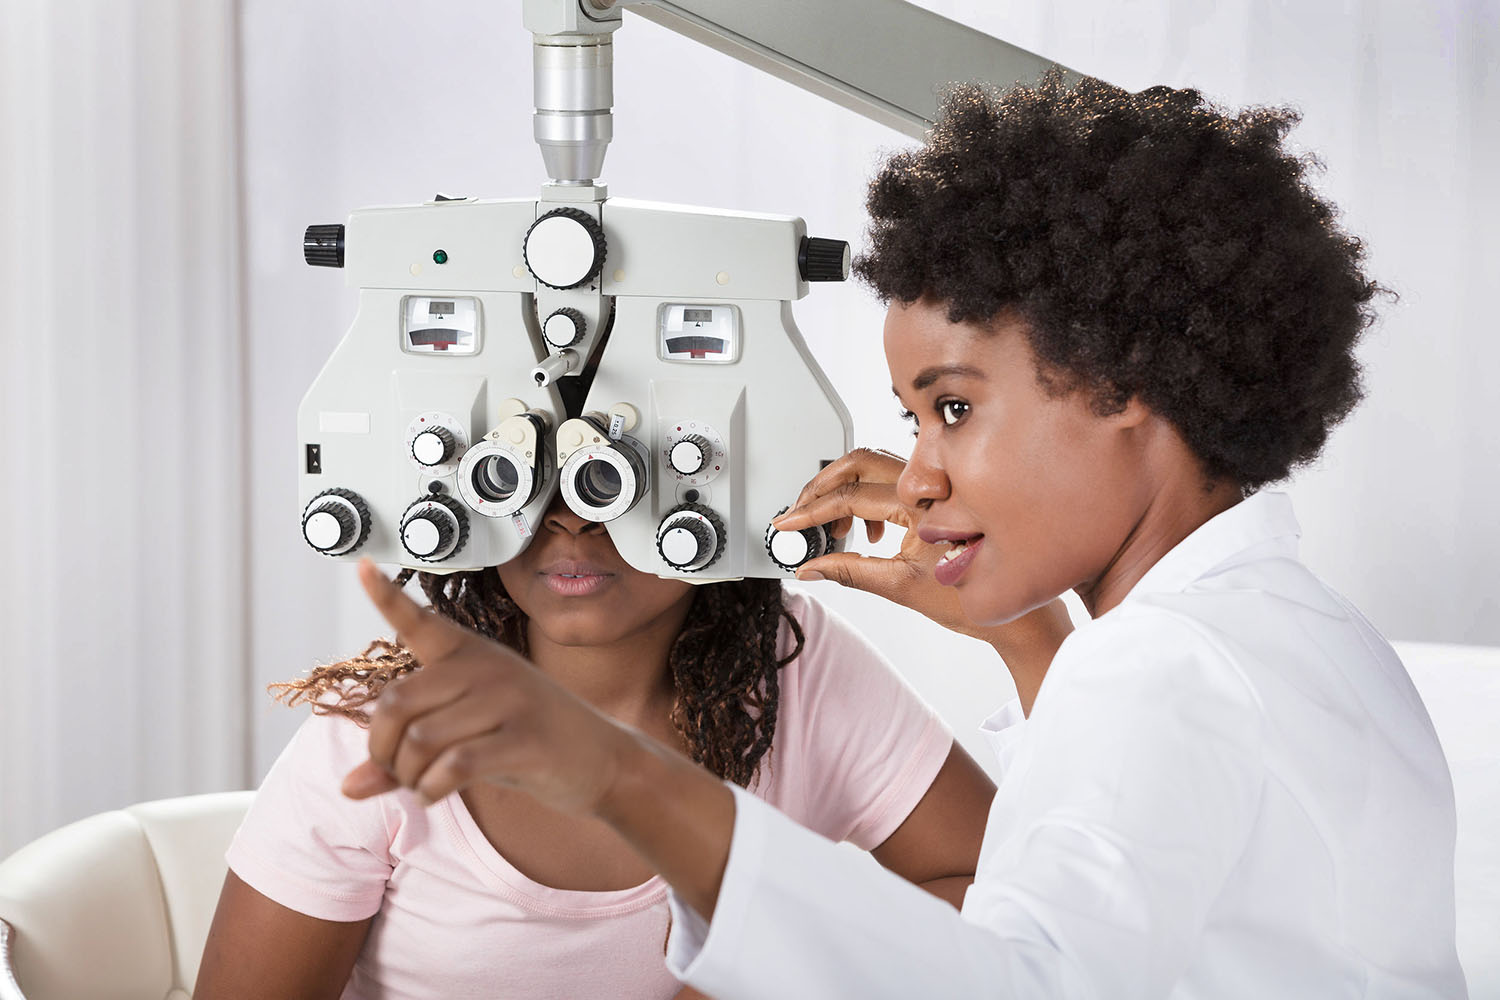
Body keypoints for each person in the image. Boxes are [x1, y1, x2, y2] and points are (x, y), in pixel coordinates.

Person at [335, 71, 1468, 998]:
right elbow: (1103, 889)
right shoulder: (1287, 630)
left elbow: (1017, 983)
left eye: (956, 408)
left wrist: (622, 778)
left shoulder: (1165, 666)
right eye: (912, 420)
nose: (916, 478)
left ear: (1127, 384)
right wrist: (1024, 638)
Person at [195, 490, 1064, 1000]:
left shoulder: (797, 667)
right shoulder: (381, 728)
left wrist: (758, 958)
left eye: (620, 477)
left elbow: (1000, 903)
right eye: (528, 477)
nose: (572, 522)